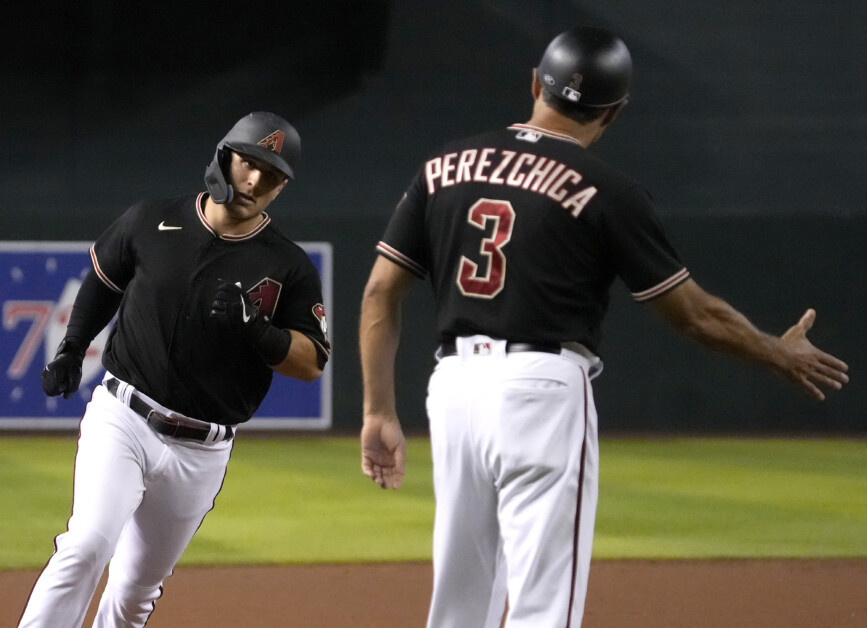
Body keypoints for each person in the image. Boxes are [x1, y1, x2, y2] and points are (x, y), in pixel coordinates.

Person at [358, 26, 849, 628]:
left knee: (461, 599)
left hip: (455, 388)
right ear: (614, 112)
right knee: (545, 606)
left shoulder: (443, 169)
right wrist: (777, 352)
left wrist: (378, 410)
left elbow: (381, 291)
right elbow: (695, 315)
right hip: (541, 389)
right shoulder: (609, 192)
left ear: (536, 84)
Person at [20, 111, 331, 627]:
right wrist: (73, 348)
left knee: (136, 591)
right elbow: (102, 280)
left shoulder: (288, 265)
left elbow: (310, 362)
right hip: (124, 417)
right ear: (225, 156)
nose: (255, 180)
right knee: (87, 544)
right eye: (249, 163)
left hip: (202, 451)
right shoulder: (151, 220)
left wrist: (259, 330)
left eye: (272, 174)